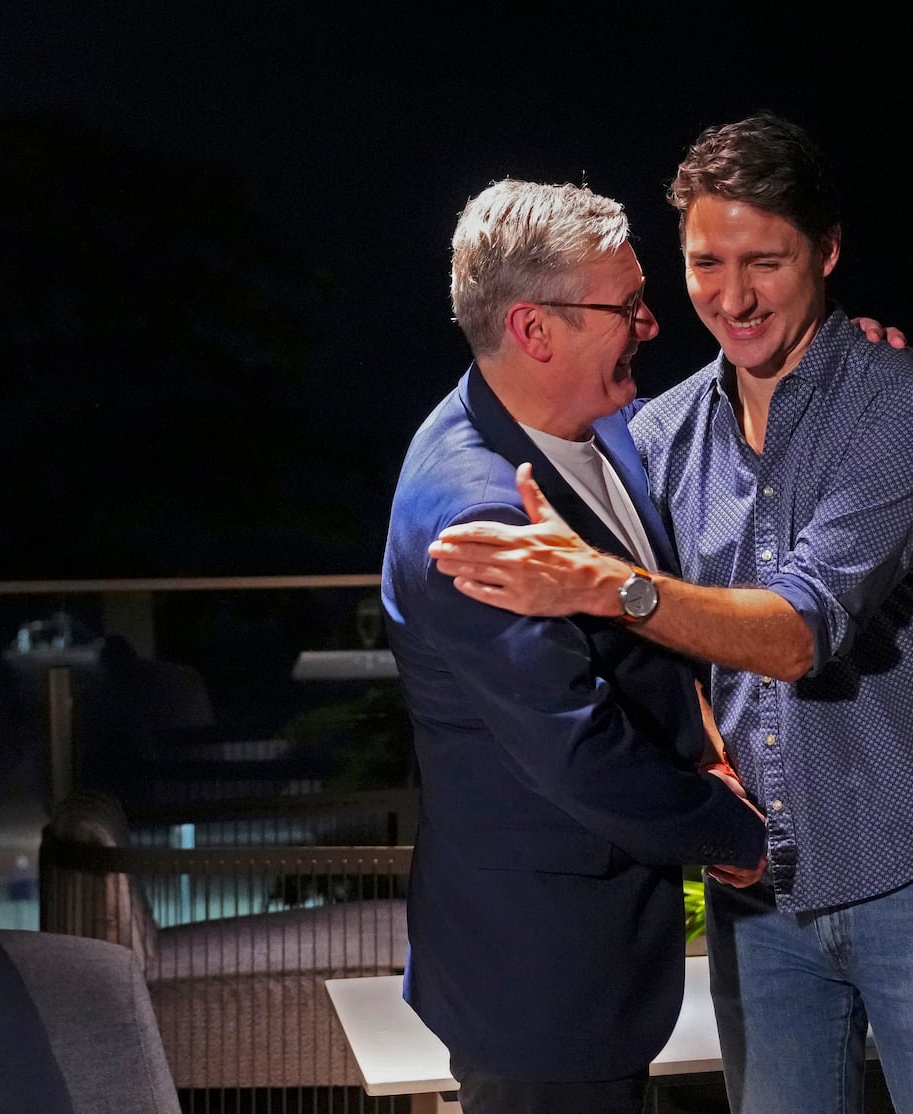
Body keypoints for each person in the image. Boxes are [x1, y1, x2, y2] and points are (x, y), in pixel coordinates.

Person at [429, 112, 913, 1113]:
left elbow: (798, 631)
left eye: (768, 262)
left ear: (827, 252)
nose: (734, 297)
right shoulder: (653, 434)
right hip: (761, 884)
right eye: (707, 262)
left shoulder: (902, 407)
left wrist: (602, 583)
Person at [380, 178, 768, 1114]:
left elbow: (718, 417)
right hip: (541, 978)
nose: (650, 325)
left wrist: (856, 362)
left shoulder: (588, 421)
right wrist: (740, 837)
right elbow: (578, 748)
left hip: (579, 957)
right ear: (534, 329)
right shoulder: (475, 516)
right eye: (625, 307)